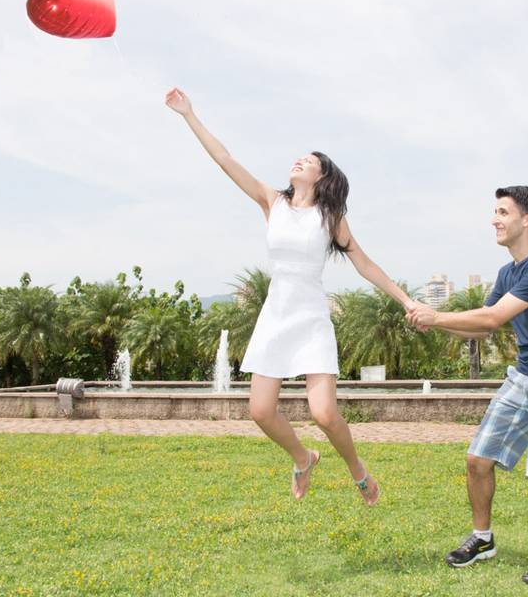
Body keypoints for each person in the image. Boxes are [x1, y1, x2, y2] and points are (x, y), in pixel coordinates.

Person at [166, 87, 417, 505]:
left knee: (323, 413)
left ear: (323, 177)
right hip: (275, 315)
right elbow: (226, 160)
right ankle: (304, 458)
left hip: (311, 317)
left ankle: (359, 472)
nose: (300, 161)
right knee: (260, 412)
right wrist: (189, 114)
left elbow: (365, 264)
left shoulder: (331, 217)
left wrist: (406, 300)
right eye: (300, 158)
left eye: (311, 160)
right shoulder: (273, 201)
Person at [409, 186, 528, 585]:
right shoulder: (508, 272)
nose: (494, 219)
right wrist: (432, 322)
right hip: (525, 375)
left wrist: (437, 316)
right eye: (494, 211)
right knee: (478, 459)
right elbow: (481, 328)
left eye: (502, 211)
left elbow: (492, 318)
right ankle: (482, 538)